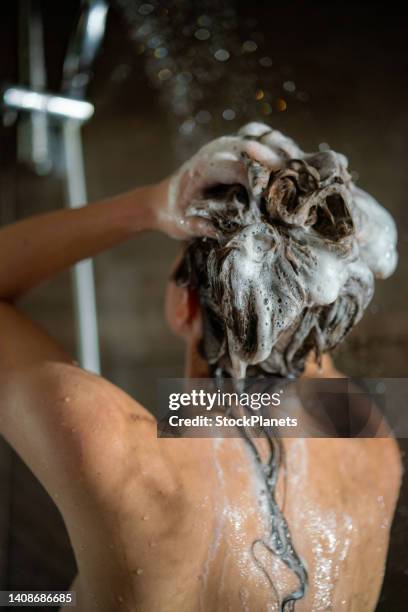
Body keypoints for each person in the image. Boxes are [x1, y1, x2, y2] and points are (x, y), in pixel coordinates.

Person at [0, 123, 401, 611]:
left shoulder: (114, 453)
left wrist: (150, 205)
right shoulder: (367, 434)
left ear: (183, 305)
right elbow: (301, 344)